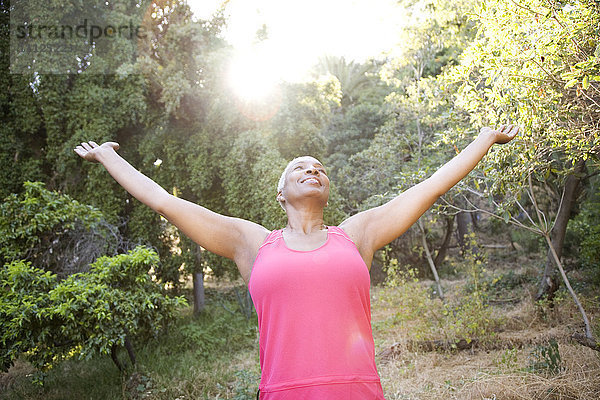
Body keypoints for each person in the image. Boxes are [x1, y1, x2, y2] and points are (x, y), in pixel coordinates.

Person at [74, 124, 519, 399]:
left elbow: (428, 188)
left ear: (328, 187)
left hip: (358, 394)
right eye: (299, 167)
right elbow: (165, 202)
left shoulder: (356, 234)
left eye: (320, 168)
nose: (313, 169)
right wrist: (109, 157)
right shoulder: (251, 242)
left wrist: (484, 139)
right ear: (280, 193)